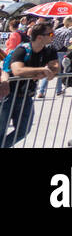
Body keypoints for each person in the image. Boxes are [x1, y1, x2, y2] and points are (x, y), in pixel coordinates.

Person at [1, 18, 60, 148]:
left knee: (23, 130)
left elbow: (55, 67)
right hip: (8, 95)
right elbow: (17, 70)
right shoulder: (22, 49)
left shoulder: (50, 50)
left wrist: (47, 72)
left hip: (26, 96)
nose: (53, 36)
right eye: (50, 34)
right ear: (39, 37)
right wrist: (41, 70)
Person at [38, 18, 72, 98]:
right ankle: (58, 90)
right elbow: (66, 44)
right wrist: (71, 42)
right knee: (60, 71)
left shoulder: (57, 30)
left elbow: (51, 38)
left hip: (52, 51)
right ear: (70, 23)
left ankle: (41, 91)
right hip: (61, 52)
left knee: (49, 70)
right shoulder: (68, 32)